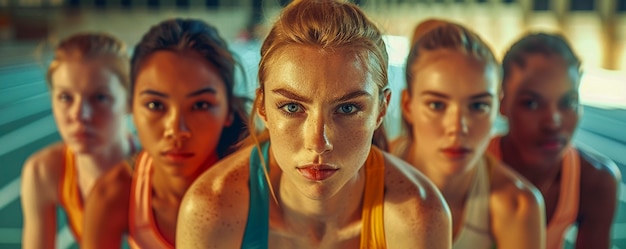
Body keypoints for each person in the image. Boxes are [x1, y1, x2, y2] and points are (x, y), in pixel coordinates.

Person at [176, 1, 452, 248]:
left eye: (347, 108)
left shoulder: (418, 217)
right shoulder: (212, 211)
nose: (319, 142)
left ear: (381, 108)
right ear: (262, 107)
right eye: (292, 107)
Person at [81, 18, 249, 249]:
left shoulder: (261, 191)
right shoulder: (112, 196)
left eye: (200, 105)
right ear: (131, 106)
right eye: (155, 105)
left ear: (229, 109)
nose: (176, 130)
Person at [391, 19, 545, 249]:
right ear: (407, 105)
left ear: (497, 108)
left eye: (477, 106)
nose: (457, 127)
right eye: (436, 105)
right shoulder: (366, 179)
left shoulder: (519, 205)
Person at [488, 32, 622, 249]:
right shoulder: (470, 168)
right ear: (502, 105)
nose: (553, 122)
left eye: (568, 102)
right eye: (531, 103)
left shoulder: (594, 180)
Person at [20, 33, 135, 248]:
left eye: (99, 97)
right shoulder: (44, 172)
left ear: (129, 101)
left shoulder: (158, 172)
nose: (80, 114)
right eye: (65, 97)